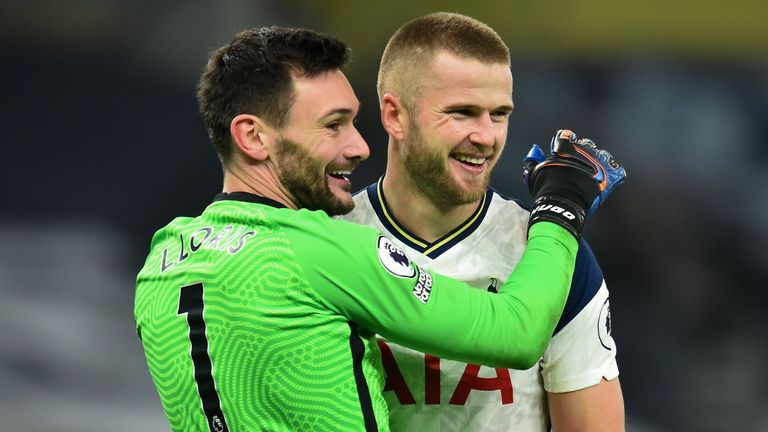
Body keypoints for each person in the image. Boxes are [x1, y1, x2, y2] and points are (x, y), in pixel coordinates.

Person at [134, 26, 625, 432]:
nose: (358, 146)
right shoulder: (330, 247)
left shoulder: (165, 259)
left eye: (500, 114)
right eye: (333, 125)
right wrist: (562, 207)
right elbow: (515, 332)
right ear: (253, 135)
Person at [341, 12, 625, 432]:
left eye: (499, 114)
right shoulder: (330, 241)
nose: (487, 137)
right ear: (394, 116)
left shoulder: (551, 252)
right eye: (462, 112)